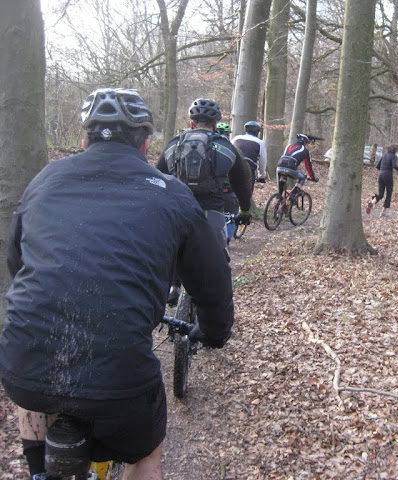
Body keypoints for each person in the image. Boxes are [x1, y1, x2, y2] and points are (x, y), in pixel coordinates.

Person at [0, 88, 234, 480]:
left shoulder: (45, 179)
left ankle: (39, 471)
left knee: (33, 382)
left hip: (23, 361)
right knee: (145, 458)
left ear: (84, 141)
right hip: (120, 380)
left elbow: (16, 262)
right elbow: (212, 282)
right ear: (146, 144)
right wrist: (213, 332)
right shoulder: (172, 194)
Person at [157, 99, 253, 305]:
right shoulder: (226, 147)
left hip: (178, 212)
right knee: (220, 263)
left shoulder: (174, 145)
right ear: (215, 125)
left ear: (192, 123)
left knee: (175, 250)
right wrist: (245, 210)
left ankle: (173, 287)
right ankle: (220, 306)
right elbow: (242, 183)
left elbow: (158, 178)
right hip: (212, 213)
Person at [366, 144, 398, 217]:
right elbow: (394, 166)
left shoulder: (384, 155)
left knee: (380, 194)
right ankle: (383, 213)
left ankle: (372, 203)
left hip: (381, 175)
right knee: (389, 194)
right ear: (395, 150)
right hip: (388, 175)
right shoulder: (394, 156)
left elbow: (378, 166)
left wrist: (383, 169)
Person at [231, 120, 267, 189]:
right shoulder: (260, 143)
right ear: (257, 132)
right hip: (249, 170)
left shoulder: (236, 138)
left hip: (234, 167)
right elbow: (263, 160)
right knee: (247, 192)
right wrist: (262, 175)